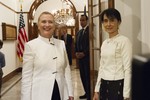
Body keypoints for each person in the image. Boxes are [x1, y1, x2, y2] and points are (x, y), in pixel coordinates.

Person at [21, 11, 74, 100]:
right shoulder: (31, 46)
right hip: (40, 94)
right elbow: (26, 77)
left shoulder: (61, 44)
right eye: (44, 21)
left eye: (50, 22)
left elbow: (66, 69)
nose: (47, 25)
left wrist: (70, 92)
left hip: (60, 92)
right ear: (38, 25)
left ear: (54, 26)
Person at [93, 8, 132, 100]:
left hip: (118, 84)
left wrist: (126, 95)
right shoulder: (105, 43)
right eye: (105, 21)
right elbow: (102, 67)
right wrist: (96, 90)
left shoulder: (124, 41)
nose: (108, 24)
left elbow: (128, 69)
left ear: (119, 22)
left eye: (112, 20)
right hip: (104, 84)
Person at [75, 14, 90, 100]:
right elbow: (76, 43)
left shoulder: (89, 31)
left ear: (87, 21)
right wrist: (76, 53)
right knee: (82, 76)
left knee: (87, 76)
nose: (81, 22)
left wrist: (84, 53)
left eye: (83, 20)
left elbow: (90, 45)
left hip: (87, 58)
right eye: (80, 20)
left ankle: (89, 94)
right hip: (80, 58)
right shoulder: (79, 32)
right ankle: (86, 92)